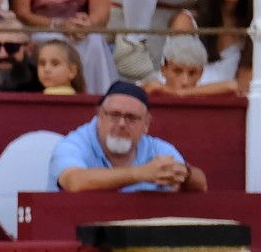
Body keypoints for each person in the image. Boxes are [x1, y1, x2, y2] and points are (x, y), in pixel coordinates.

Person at [48, 79, 208, 190]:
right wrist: (141, 174)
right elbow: (75, 182)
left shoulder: (155, 147)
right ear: (99, 116)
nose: (122, 124)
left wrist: (184, 173)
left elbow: (200, 184)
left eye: (131, 118)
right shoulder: (73, 143)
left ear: (146, 124)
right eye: (114, 115)